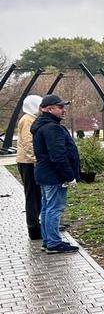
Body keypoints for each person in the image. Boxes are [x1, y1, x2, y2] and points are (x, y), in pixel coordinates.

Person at [31, 94, 81, 254]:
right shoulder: (52, 128)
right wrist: (69, 176)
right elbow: (58, 155)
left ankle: (48, 241)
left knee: (47, 208)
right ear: (48, 109)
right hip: (54, 175)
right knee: (54, 208)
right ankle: (53, 243)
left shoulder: (42, 125)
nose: (63, 110)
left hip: (45, 174)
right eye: (60, 107)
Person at [16, 94, 43, 240]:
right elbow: (28, 143)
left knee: (36, 194)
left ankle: (37, 223)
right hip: (28, 163)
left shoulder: (31, 119)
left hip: (29, 161)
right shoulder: (27, 120)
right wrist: (36, 160)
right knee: (32, 195)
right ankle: (33, 227)